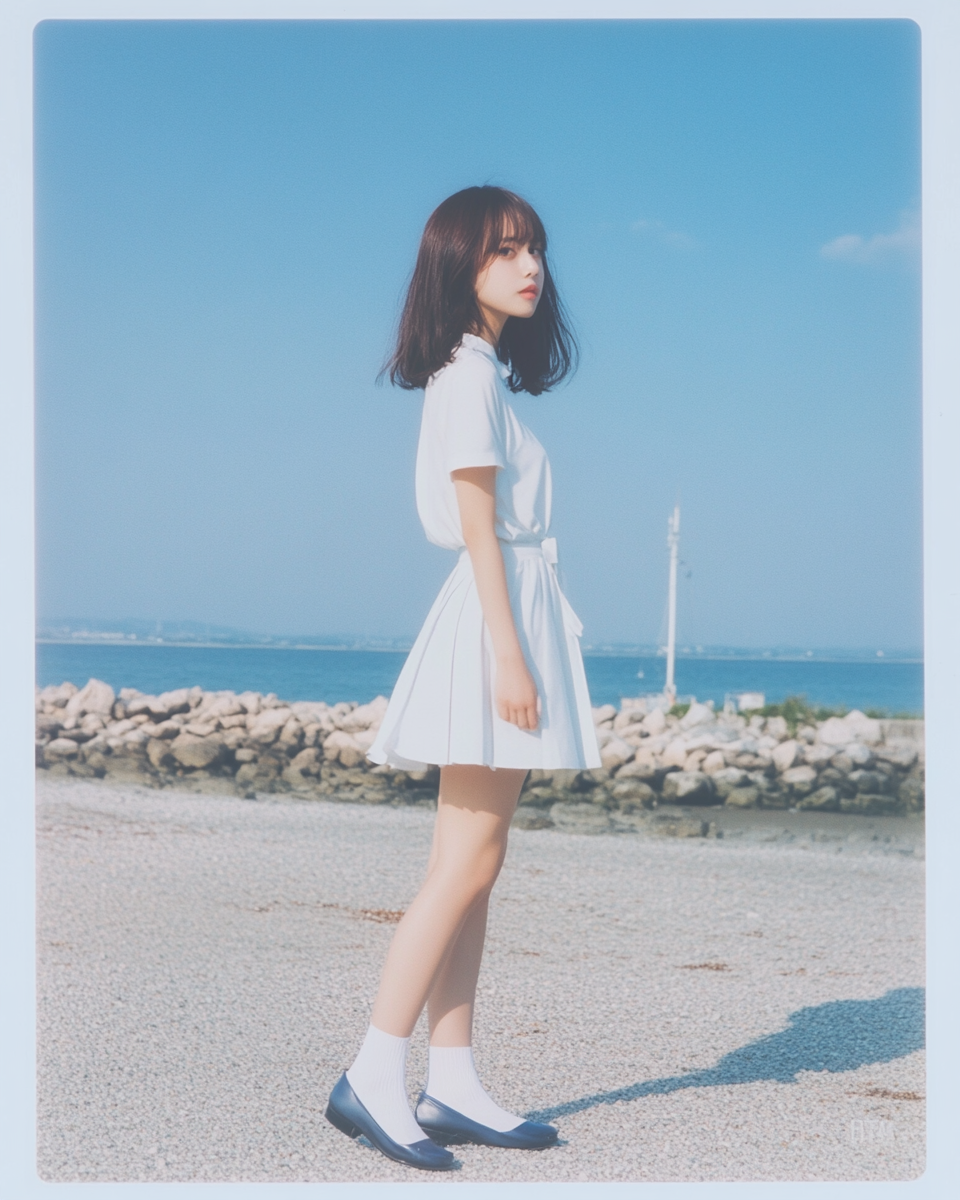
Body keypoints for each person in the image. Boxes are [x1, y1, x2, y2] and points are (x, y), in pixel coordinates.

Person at [325, 185, 601, 1172]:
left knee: (475, 866)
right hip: (496, 616)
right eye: (505, 252)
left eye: (533, 249)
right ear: (459, 267)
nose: (529, 267)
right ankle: (373, 1069)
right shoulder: (467, 378)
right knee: (465, 866)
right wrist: (509, 650)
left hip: (501, 609)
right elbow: (477, 522)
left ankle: (451, 1079)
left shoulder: (472, 370)